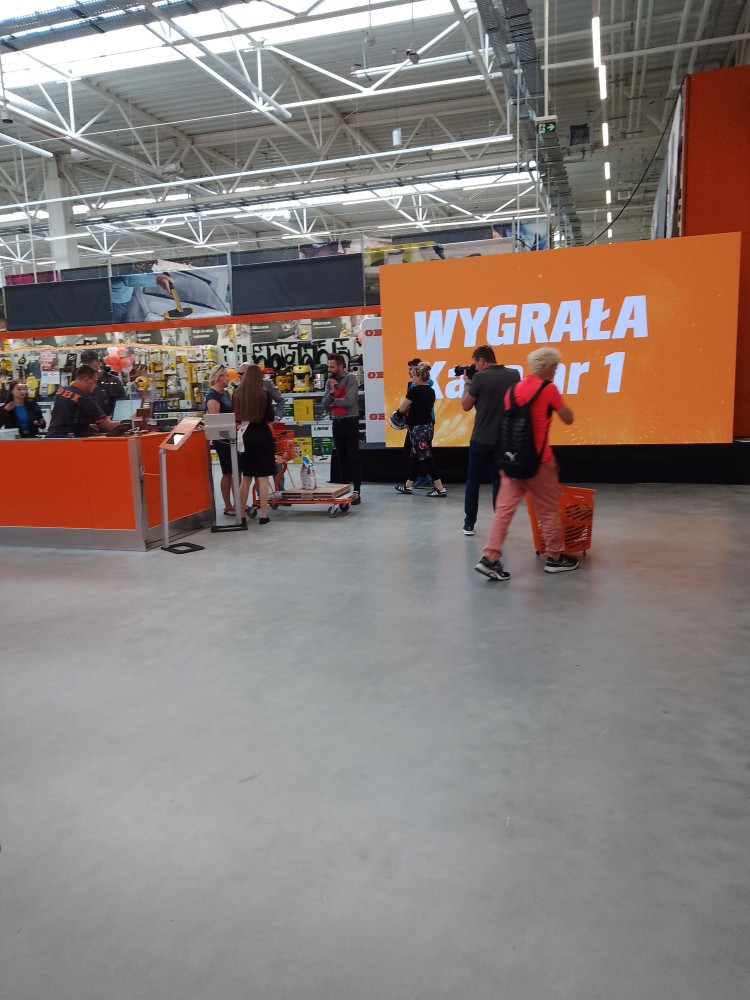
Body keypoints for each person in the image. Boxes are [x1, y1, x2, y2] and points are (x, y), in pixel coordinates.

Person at [475, 347, 577, 581]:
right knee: (548, 510)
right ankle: (555, 558)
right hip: (540, 462)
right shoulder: (548, 389)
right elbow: (568, 418)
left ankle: (490, 557)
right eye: (555, 368)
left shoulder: (513, 390)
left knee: (503, 511)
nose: (555, 372)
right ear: (549, 368)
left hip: (511, 460)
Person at [461, 344, 520, 536]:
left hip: (481, 438)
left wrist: (467, 383)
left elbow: (465, 405)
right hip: (503, 439)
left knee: (473, 480)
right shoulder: (514, 375)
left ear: (481, 361)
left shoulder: (480, 378)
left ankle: (469, 524)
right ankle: (499, 524)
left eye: (475, 364)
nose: (475, 367)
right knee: (498, 482)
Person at [394, 361, 447, 497]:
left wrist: (399, 416)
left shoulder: (414, 391)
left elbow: (402, 409)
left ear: (418, 377)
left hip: (418, 430)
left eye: (413, 376)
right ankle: (408, 486)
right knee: (415, 457)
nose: (412, 379)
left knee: (427, 459)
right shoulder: (431, 391)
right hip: (427, 428)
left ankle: (440, 488)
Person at [232, 364, 276, 524]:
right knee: (263, 477)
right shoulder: (264, 394)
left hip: (245, 436)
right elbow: (270, 418)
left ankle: (242, 515)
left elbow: (235, 417)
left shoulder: (236, 394)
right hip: (262, 435)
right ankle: (263, 515)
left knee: (246, 477)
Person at [322, 353, 362, 505]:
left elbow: (348, 401)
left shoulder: (350, 379)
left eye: (332, 367)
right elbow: (324, 405)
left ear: (340, 366)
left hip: (350, 422)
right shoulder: (329, 382)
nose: (329, 369)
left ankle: (357, 491)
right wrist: (332, 392)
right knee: (341, 458)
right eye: (328, 366)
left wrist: (332, 400)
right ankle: (345, 490)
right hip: (337, 423)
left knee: (354, 458)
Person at [46, 365, 124, 438]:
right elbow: (107, 425)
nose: (96, 385)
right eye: (95, 381)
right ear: (87, 379)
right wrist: (125, 423)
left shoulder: (61, 390)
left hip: (51, 438)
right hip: (69, 441)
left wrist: (84, 426)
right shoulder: (84, 399)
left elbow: (66, 417)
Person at [205, 364, 236, 516]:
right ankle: (228, 505)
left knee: (236, 471)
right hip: (223, 440)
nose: (228, 379)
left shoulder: (225, 393)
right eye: (226, 376)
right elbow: (216, 423)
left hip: (232, 437)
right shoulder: (213, 396)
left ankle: (238, 502)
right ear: (219, 377)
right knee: (228, 472)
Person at [406, 356, 434, 489]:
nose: (409, 373)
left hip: (423, 424)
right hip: (414, 423)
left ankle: (435, 482)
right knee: (413, 452)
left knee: (424, 454)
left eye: (412, 370)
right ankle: (410, 483)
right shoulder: (412, 385)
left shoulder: (425, 385)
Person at [80, 349, 126, 417]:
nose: (88, 366)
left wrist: (114, 417)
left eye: (91, 363)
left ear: (98, 361)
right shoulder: (83, 382)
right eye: (86, 364)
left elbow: (122, 402)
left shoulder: (111, 380)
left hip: (109, 419)